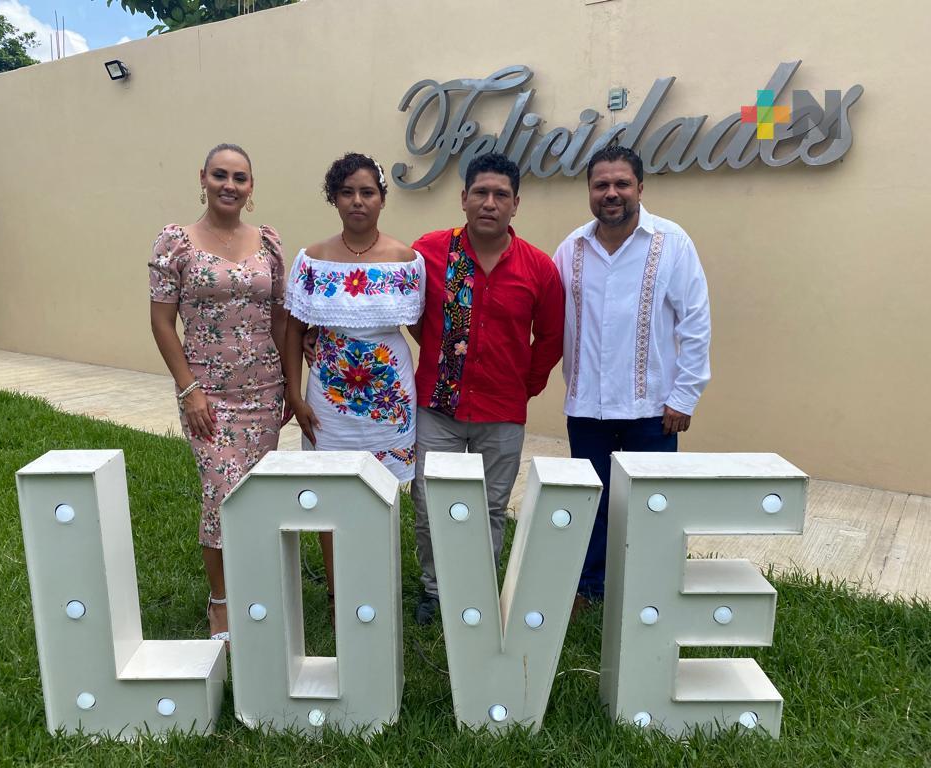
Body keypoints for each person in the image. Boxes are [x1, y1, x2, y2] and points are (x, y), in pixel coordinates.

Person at [552, 145, 711, 612]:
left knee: (653, 504)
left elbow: (695, 322)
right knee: (592, 502)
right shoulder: (571, 249)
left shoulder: (672, 242)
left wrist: (685, 396)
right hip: (587, 407)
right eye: (601, 184)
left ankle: (651, 590)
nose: (611, 193)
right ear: (589, 191)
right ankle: (590, 588)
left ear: (640, 188)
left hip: (653, 409)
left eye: (621, 183)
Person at [410, 152, 565, 624]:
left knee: (491, 507)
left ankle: (475, 591)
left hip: (502, 411)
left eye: (501, 194)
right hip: (438, 407)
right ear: (464, 198)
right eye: (480, 192)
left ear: (516, 204)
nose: (489, 203)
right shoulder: (430, 253)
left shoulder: (539, 268)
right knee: (429, 502)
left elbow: (551, 337)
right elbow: (410, 314)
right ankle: (435, 590)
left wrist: (524, 386)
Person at [149, 143, 288, 642]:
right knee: (221, 492)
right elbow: (161, 322)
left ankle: (257, 586)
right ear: (203, 178)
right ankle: (222, 601)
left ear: (251, 187)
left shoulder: (268, 243)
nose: (230, 185)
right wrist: (188, 389)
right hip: (207, 395)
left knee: (255, 494)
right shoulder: (176, 243)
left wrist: (289, 383)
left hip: (264, 391)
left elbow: (279, 317)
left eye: (240, 178)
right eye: (220, 175)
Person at [284, 152, 425, 612]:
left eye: (367, 192)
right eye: (347, 192)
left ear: (382, 198)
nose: (357, 201)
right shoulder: (312, 260)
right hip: (327, 398)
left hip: (390, 398)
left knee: (381, 491)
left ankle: (377, 582)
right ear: (334, 199)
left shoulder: (407, 261)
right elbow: (293, 331)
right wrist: (293, 394)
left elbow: (423, 330)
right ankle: (336, 590)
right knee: (330, 489)